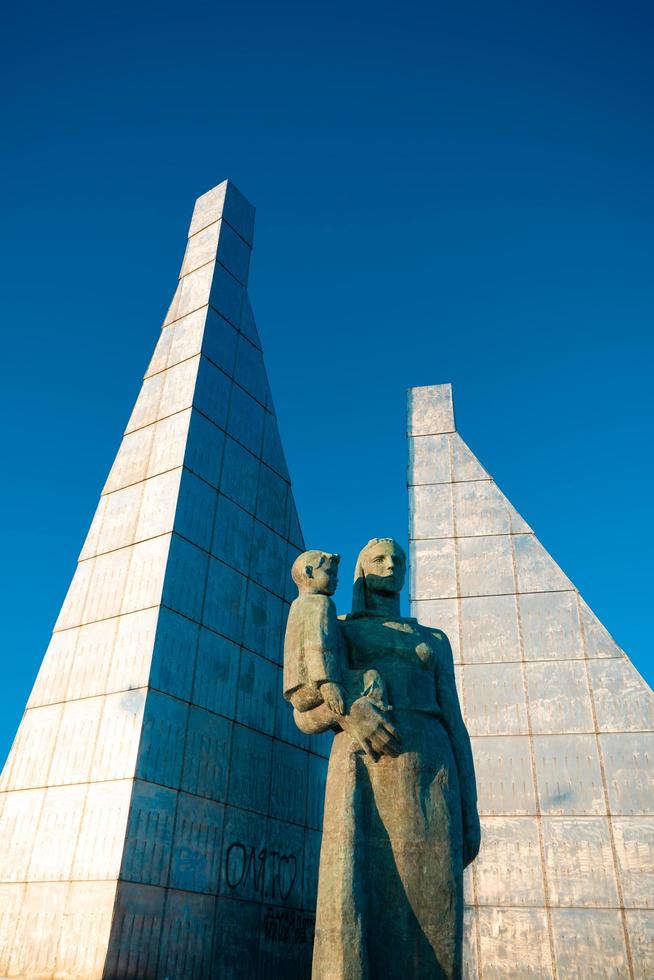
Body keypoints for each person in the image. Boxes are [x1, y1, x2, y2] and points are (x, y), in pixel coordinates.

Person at [290, 538, 480, 979]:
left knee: (434, 907)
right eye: (378, 559)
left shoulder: (433, 639)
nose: (390, 565)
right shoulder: (337, 628)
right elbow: (305, 716)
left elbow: (455, 722)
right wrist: (351, 712)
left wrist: (469, 811)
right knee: (355, 902)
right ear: (361, 572)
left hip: (433, 775)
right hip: (363, 769)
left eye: (398, 559)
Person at [283, 549, 388, 719]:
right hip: (315, 685)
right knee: (372, 679)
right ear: (308, 572)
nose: (336, 579)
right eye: (329, 573)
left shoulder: (297, 605)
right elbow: (317, 645)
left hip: (296, 689)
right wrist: (327, 682)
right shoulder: (321, 603)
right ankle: (377, 723)